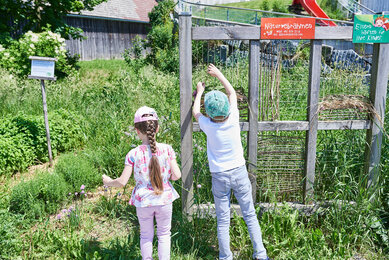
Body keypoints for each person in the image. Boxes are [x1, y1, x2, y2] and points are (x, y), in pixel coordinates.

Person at [192, 64, 270, 260]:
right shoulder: (234, 117)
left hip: (219, 176)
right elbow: (231, 92)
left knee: (223, 220)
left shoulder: (208, 125)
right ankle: (260, 254)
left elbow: (195, 112)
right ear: (227, 108)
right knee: (250, 214)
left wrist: (200, 92)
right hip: (239, 172)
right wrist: (218, 74)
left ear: (209, 113)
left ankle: (225, 257)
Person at [102, 106, 181, 260]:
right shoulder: (167, 149)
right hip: (164, 200)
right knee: (164, 235)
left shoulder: (133, 154)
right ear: (157, 128)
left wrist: (108, 182)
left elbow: (122, 182)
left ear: (137, 131)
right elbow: (177, 175)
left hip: (143, 201)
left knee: (146, 236)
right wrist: (166, 175)